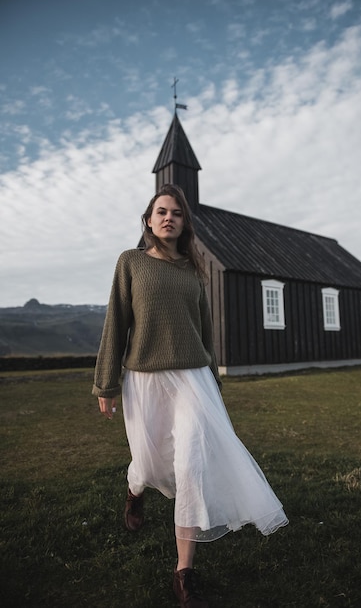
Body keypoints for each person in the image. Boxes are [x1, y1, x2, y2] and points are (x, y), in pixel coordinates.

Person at [92, 184, 288, 608]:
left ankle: (184, 573)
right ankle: (135, 491)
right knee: (150, 463)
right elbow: (116, 323)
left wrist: (212, 385)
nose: (168, 218)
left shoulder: (193, 272)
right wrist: (105, 383)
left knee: (190, 465)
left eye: (176, 213)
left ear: (184, 222)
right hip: (144, 379)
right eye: (160, 211)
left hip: (193, 379)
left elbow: (205, 334)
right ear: (148, 220)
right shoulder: (131, 263)